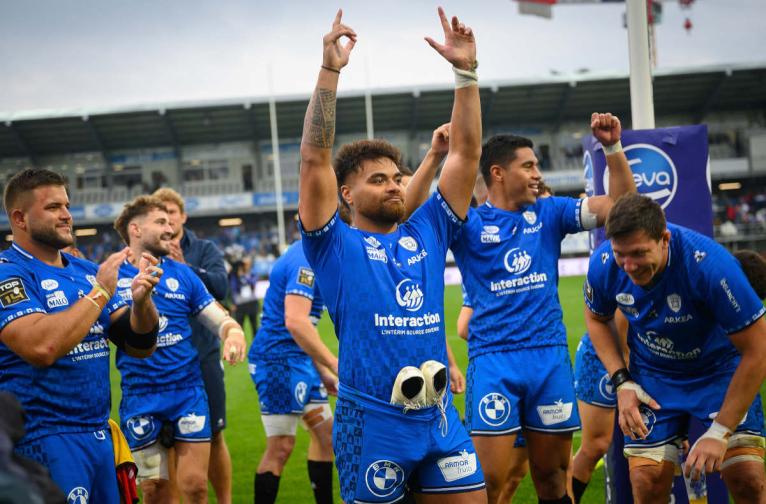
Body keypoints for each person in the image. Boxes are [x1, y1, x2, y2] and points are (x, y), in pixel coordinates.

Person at [298, 8, 487, 503]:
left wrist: (465, 73)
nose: (393, 185)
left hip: (440, 415)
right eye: (376, 180)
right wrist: (330, 71)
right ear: (346, 195)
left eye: (396, 177)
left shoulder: (428, 229)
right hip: (373, 422)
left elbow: (465, 155)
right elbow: (315, 158)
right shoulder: (333, 244)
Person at [451, 114, 635, 504]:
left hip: (548, 361)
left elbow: (621, 207)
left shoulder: (550, 213)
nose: (539, 174)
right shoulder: (466, 224)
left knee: (553, 478)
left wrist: (612, 149)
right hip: (493, 363)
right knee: (487, 482)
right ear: (498, 173)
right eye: (529, 166)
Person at [584, 194, 766, 503]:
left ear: (664, 239)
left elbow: (759, 350)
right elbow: (597, 319)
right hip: (654, 376)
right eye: (620, 254)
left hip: (718, 373)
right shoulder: (604, 264)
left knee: (747, 477)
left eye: (639, 253)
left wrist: (721, 431)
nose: (628, 266)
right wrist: (622, 381)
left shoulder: (712, 267)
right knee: (646, 481)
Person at [0, 168, 161, 502]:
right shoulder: (8, 274)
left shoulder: (86, 271)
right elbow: (40, 346)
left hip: (99, 434)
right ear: (20, 217)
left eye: (67, 205)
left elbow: (139, 344)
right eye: (53, 207)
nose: (67, 215)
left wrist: (143, 304)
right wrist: (101, 291)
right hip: (42, 439)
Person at [112, 196, 247, 504]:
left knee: (195, 487)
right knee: (155, 491)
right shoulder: (111, 275)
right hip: (140, 395)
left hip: (187, 392)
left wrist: (233, 332)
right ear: (135, 229)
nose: (170, 228)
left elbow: (218, 317)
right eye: (160, 222)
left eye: (170, 222)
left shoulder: (183, 274)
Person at [152, 187, 235, 504]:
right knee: (166, 441)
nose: (167, 220)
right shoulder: (145, 253)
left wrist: (185, 266)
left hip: (204, 356)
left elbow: (221, 288)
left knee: (214, 435)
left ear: (183, 216)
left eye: (172, 212)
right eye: (160, 215)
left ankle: (224, 500)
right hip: (162, 362)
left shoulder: (204, 248)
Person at [249, 240, 338, 504]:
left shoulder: (315, 255)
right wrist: (334, 364)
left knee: (327, 437)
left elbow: (304, 328)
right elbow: (296, 322)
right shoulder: (304, 260)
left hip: (301, 361)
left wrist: (322, 372)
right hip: (278, 361)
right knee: (281, 447)